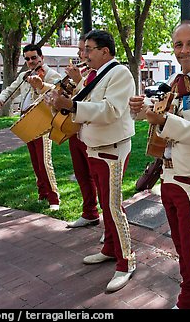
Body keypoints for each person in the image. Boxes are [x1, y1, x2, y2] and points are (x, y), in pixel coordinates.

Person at [129, 20, 190, 309]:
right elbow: (161, 123)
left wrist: (163, 120)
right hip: (169, 178)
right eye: (178, 45)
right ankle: (189, 299)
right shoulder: (175, 82)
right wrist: (142, 111)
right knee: (183, 250)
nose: (184, 50)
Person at [46, 29, 136, 293]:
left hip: (112, 149)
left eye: (88, 49)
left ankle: (126, 261)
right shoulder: (93, 75)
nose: (83, 55)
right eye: (84, 49)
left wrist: (72, 106)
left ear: (105, 51)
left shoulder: (120, 73)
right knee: (106, 205)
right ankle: (110, 248)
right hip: (96, 147)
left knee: (113, 207)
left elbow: (111, 110)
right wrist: (62, 102)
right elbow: (81, 104)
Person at [0, 44, 62, 210]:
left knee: (45, 162)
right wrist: (1, 99)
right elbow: (10, 89)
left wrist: (41, 85)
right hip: (26, 119)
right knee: (35, 162)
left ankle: (54, 199)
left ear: (41, 58)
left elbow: (58, 92)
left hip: (42, 120)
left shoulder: (51, 74)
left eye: (34, 58)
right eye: (27, 59)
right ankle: (42, 193)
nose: (31, 61)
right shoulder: (24, 75)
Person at [63, 34, 101, 231]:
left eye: (85, 50)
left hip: (93, 135)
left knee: (100, 180)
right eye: (80, 50)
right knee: (82, 175)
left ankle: (113, 227)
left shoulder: (101, 74)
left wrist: (78, 81)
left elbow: (92, 101)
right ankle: (90, 213)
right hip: (75, 131)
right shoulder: (85, 72)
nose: (81, 55)